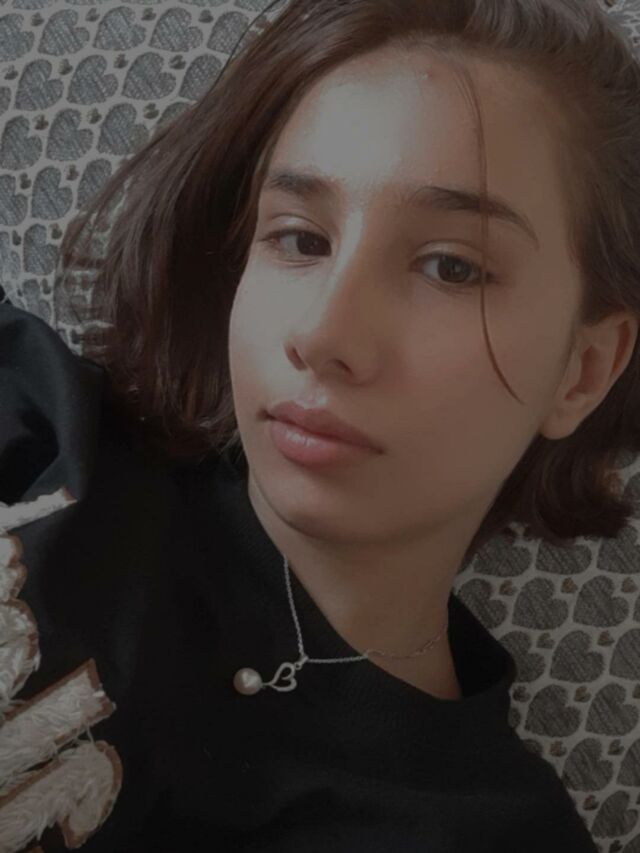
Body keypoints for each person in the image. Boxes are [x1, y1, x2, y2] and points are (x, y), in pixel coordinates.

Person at [1, 0, 639, 849]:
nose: (324, 333)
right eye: (299, 240)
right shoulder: (40, 421)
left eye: (451, 267)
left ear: (583, 369)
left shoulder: (492, 833)